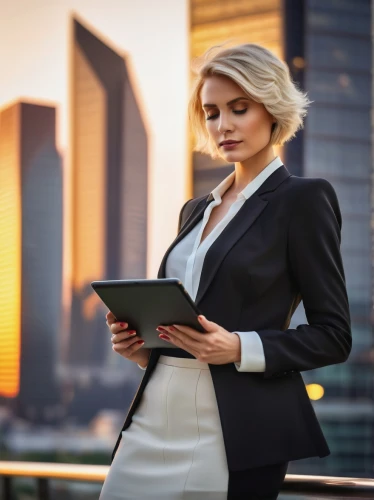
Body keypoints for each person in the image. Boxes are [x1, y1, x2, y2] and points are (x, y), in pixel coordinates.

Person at [99, 43, 351, 500]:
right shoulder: (195, 210)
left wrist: (238, 346)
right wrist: (140, 346)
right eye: (212, 112)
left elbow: (334, 335)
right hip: (155, 412)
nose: (224, 125)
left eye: (239, 108)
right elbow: (185, 321)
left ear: (272, 109)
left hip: (234, 428)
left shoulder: (304, 200)